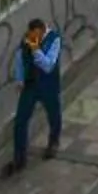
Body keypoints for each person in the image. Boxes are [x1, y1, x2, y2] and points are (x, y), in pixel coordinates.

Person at [7, 18, 64, 172]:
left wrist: (36, 50)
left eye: (37, 35)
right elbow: (20, 58)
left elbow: (48, 65)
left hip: (48, 86)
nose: (34, 38)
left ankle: (53, 142)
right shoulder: (28, 38)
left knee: (54, 115)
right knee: (20, 121)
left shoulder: (54, 40)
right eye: (32, 35)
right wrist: (20, 79)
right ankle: (19, 158)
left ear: (43, 31)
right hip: (30, 85)